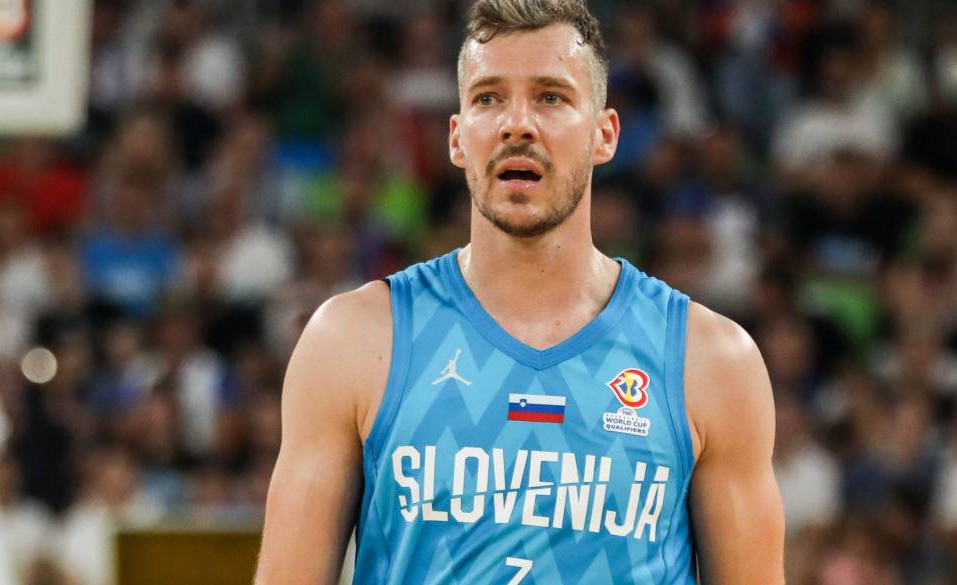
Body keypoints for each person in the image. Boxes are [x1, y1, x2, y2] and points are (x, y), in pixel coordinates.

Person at [254, 1, 785, 583]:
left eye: (551, 97)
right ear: (458, 138)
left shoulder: (710, 360)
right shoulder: (354, 339)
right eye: (488, 98)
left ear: (605, 134)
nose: (517, 124)